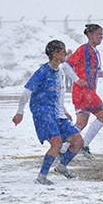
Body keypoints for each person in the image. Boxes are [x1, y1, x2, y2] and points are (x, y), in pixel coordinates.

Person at [12, 40, 85, 185]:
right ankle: (42, 176)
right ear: (55, 54)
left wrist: (63, 111)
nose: (66, 53)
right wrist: (20, 112)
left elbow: (58, 93)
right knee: (56, 143)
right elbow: (26, 92)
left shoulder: (60, 71)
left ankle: (61, 166)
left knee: (78, 141)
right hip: (43, 113)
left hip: (57, 114)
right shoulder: (42, 71)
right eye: (63, 51)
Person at [64, 23, 103, 159]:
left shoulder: (95, 52)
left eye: (102, 34)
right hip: (84, 92)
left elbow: (95, 73)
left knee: (81, 123)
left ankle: (63, 147)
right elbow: (66, 65)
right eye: (98, 34)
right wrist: (77, 80)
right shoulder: (83, 49)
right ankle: (84, 145)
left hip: (86, 92)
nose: (101, 37)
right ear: (89, 35)